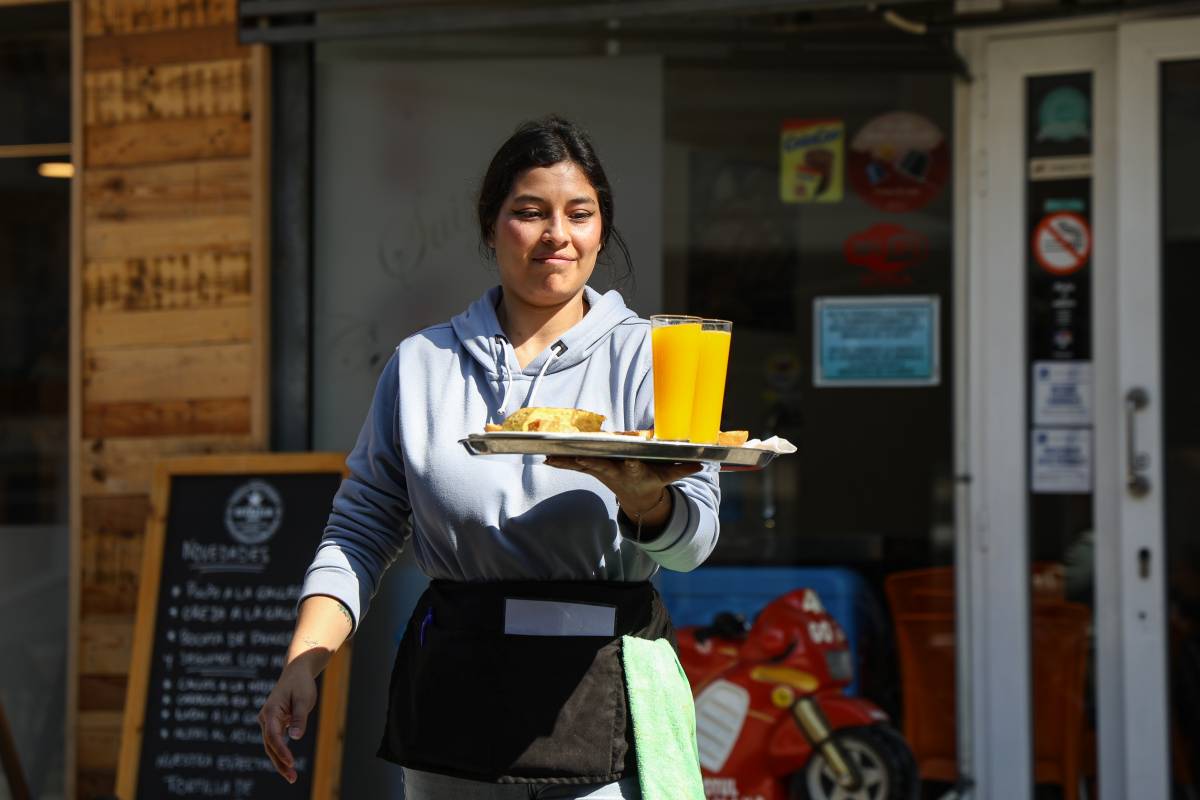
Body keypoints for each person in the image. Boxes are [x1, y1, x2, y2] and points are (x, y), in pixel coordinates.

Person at [257, 116, 721, 799]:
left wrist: (647, 499)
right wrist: (305, 659)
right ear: (490, 225)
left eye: (579, 214)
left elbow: (694, 544)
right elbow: (359, 531)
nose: (556, 234)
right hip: (454, 695)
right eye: (529, 212)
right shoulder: (422, 365)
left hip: (605, 693)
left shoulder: (659, 356)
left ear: (601, 228)